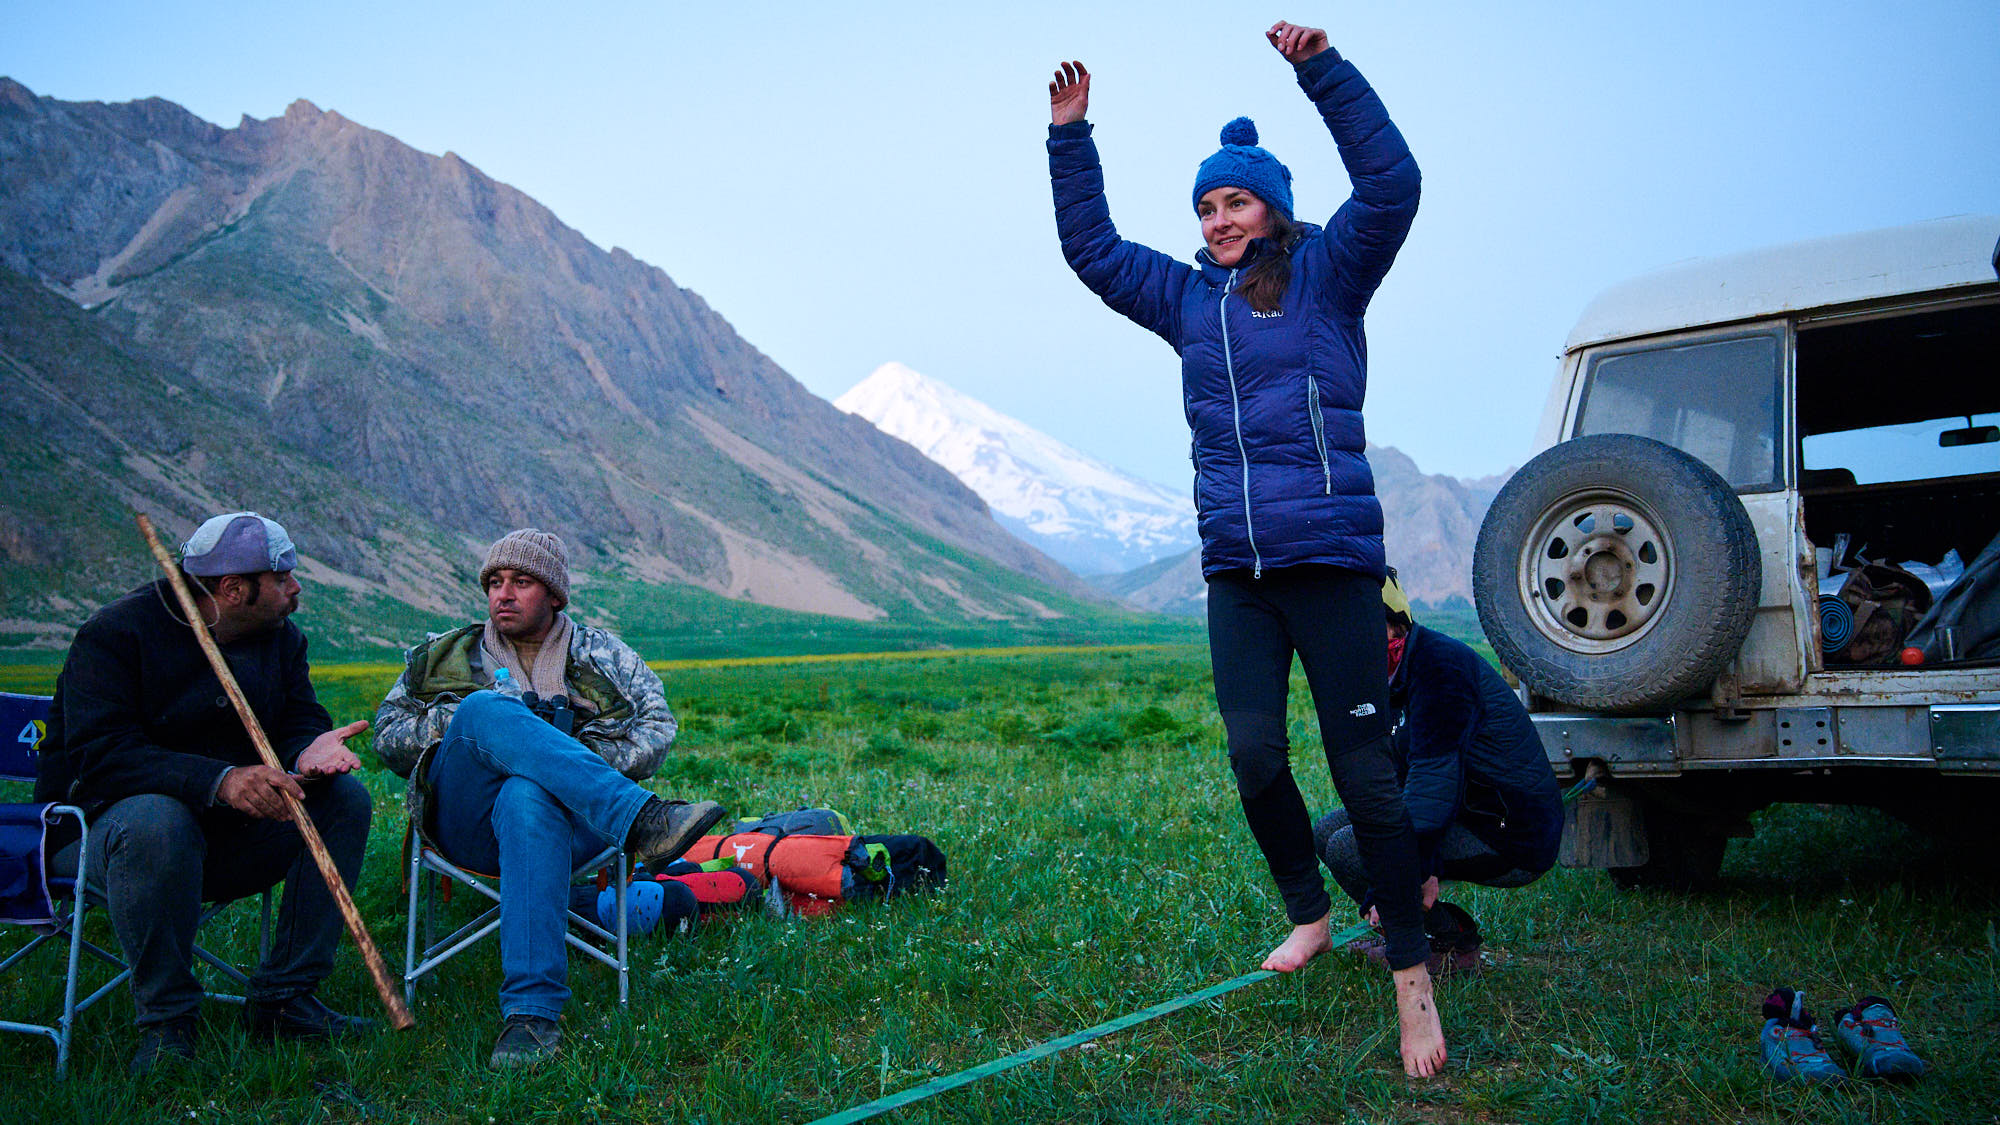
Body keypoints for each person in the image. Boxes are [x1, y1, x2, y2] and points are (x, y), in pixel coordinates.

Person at [1048, 21, 1446, 1075]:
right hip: (1239, 574)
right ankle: (1308, 911)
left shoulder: (1327, 272)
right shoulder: (1185, 300)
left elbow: (1393, 181)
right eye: (1206, 207)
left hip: (1331, 568)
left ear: (1269, 203)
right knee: (1251, 754)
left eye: (1234, 201)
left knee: (1366, 780)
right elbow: (1091, 252)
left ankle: (1412, 982)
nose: (1219, 220)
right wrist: (1069, 140)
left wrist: (1318, 70)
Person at [37, 511, 376, 1076]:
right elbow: (102, 757)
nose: (296, 588)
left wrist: (307, 753)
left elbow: (296, 719)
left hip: (223, 844)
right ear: (234, 588)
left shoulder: (281, 639)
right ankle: (168, 1022)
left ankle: (284, 1000)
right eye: (283, 576)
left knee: (343, 802)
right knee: (156, 821)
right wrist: (221, 781)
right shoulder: (116, 634)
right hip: (107, 842)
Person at [373, 528, 726, 1069]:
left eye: (521, 582)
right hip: (461, 823)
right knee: (486, 710)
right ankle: (643, 819)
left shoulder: (602, 654)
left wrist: (566, 760)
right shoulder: (447, 655)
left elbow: (657, 726)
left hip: (569, 824)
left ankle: (531, 1018)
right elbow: (387, 735)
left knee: (527, 794)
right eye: (494, 582)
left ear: (555, 595)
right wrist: (462, 720)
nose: (502, 594)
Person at [1315, 570, 1564, 974]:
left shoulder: (1439, 667)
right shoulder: (1388, 676)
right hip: (1461, 812)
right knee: (1329, 832)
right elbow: (1393, 774)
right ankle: (1438, 934)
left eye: (1362, 625)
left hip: (1511, 830)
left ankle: (1439, 946)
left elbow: (1434, 783)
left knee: (1351, 846)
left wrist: (1416, 866)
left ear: (1396, 621)